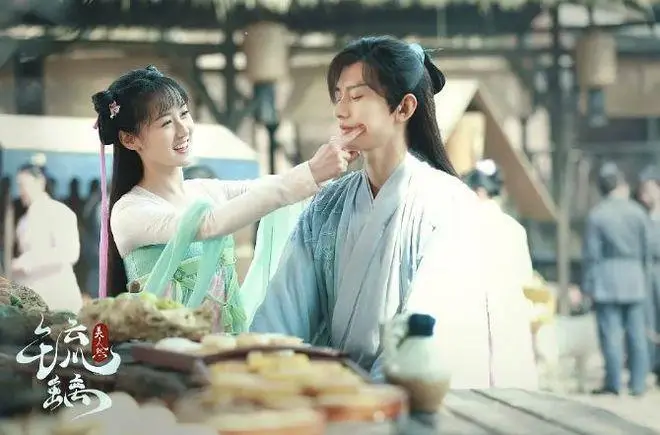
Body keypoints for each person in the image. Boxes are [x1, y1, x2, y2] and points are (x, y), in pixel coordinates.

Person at [250, 36, 538, 389]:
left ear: (403, 108)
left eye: (357, 96)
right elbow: (280, 319)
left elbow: (426, 335)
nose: (341, 110)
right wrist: (263, 370)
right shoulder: (326, 207)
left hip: (403, 396)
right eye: (338, 96)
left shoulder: (448, 204)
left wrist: (371, 397)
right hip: (334, 397)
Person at [94, 65, 361, 333]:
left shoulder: (205, 191)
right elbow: (207, 224)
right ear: (130, 140)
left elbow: (271, 188)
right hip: (164, 351)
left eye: (184, 114)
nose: (183, 130)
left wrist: (328, 163)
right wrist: (312, 171)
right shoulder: (130, 211)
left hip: (224, 346)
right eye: (166, 123)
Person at [582, 162, 650, 396]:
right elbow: (647, 249)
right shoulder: (638, 212)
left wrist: (588, 285)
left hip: (607, 278)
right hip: (634, 277)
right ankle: (638, 384)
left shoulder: (597, 215)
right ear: (620, 184)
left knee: (611, 335)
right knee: (637, 334)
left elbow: (592, 255)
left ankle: (614, 383)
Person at [11, 162, 83, 313]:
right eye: (19, 186)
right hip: (33, 300)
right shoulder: (23, 221)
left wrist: (28, 261)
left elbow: (70, 253)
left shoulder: (60, 211)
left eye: (24, 185)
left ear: (40, 182)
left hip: (59, 297)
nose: (20, 191)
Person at [637, 165, 660, 387]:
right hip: (649, 272)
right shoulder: (642, 217)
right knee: (650, 320)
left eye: (648, 188)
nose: (644, 194)